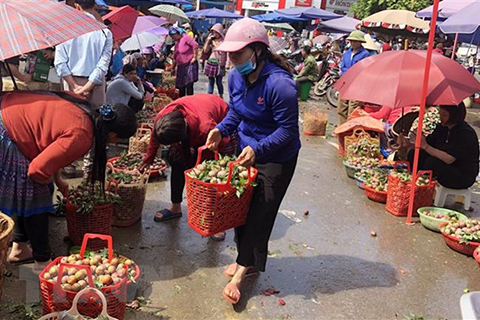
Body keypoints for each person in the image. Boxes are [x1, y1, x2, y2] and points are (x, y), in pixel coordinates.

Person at [205, 18, 300, 304]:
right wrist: (220, 130)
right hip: (246, 152)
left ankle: (241, 272)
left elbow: (287, 131)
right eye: (230, 55)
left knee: (261, 215)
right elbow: (236, 113)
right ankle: (248, 259)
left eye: (238, 54)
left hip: (276, 158)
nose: (232, 60)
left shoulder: (280, 85)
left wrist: (258, 150)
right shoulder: (235, 76)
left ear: (258, 51)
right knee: (240, 209)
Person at [1, 90, 137, 270]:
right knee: (37, 195)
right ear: (112, 135)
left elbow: (52, 146)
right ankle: (41, 261)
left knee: (38, 188)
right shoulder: (83, 134)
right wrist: (49, 180)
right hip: (9, 129)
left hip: (12, 113)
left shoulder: (86, 109)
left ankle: (20, 247)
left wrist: (58, 180)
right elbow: (37, 170)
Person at [139, 94, 232, 240]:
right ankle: (175, 207)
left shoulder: (205, 127)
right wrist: (148, 159)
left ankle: (215, 222)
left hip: (219, 117)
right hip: (195, 114)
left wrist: (205, 160)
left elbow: (224, 142)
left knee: (210, 176)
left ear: (181, 138)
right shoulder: (163, 119)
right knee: (177, 162)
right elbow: (155, 137)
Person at [399, 103, 479, 189]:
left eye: (445, 115)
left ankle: (422, 186)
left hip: (462, 174)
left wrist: (425, 146)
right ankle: (411, 182)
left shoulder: (465, 133)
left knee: (433, 162)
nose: (441, 117)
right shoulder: (442, 128)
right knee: (415, 154)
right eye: (440, 113)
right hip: (446, 166)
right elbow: (427, 144)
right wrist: (408, 143)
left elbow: (449, 159)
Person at [54, 0, 113, 108]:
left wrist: (76, 87)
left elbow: (60, 63)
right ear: (94, 6)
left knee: (71, 117)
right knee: (95, 120)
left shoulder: (64, 30)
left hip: (71, 82)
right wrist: (87, 87)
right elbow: (103, 66)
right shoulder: (105, 33)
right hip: (96, 84)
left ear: (77, 6)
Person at [337, 30, 370, 125]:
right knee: (341, 108)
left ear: (360, 42)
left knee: (353, 109)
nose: (352, 43)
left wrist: (349, 73)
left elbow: (361, 70)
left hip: (357, 85)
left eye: (355, 41)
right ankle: (341, 129)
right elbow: (342, 66)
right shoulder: (347, 53)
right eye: (351, 41)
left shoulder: (365, 54)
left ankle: (349, 129)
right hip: (344, 83)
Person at [170, 27, 199, 97]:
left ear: (178, 33)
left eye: (174, 35)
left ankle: (189, 101)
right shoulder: (177, 42)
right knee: (181, 86)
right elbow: (175, 56)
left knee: (189, 85)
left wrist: (194, 57)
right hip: (181, 66)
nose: (173, 37)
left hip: (189, 64)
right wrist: (173, 68)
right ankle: (182, 101)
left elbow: (195, 45)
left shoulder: (186, 38)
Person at [203, 23, 227, 98]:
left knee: (219, 81)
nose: (215, 34)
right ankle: (209, 95)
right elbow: (205, 50)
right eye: (213, 32)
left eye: (216, 32)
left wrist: (227, 64)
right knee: (211, 81)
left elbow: (224, 51)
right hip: (211, 62)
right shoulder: (211, 40)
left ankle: (221, 95)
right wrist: (208, 41)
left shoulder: (223, 41)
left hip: (220, 64)